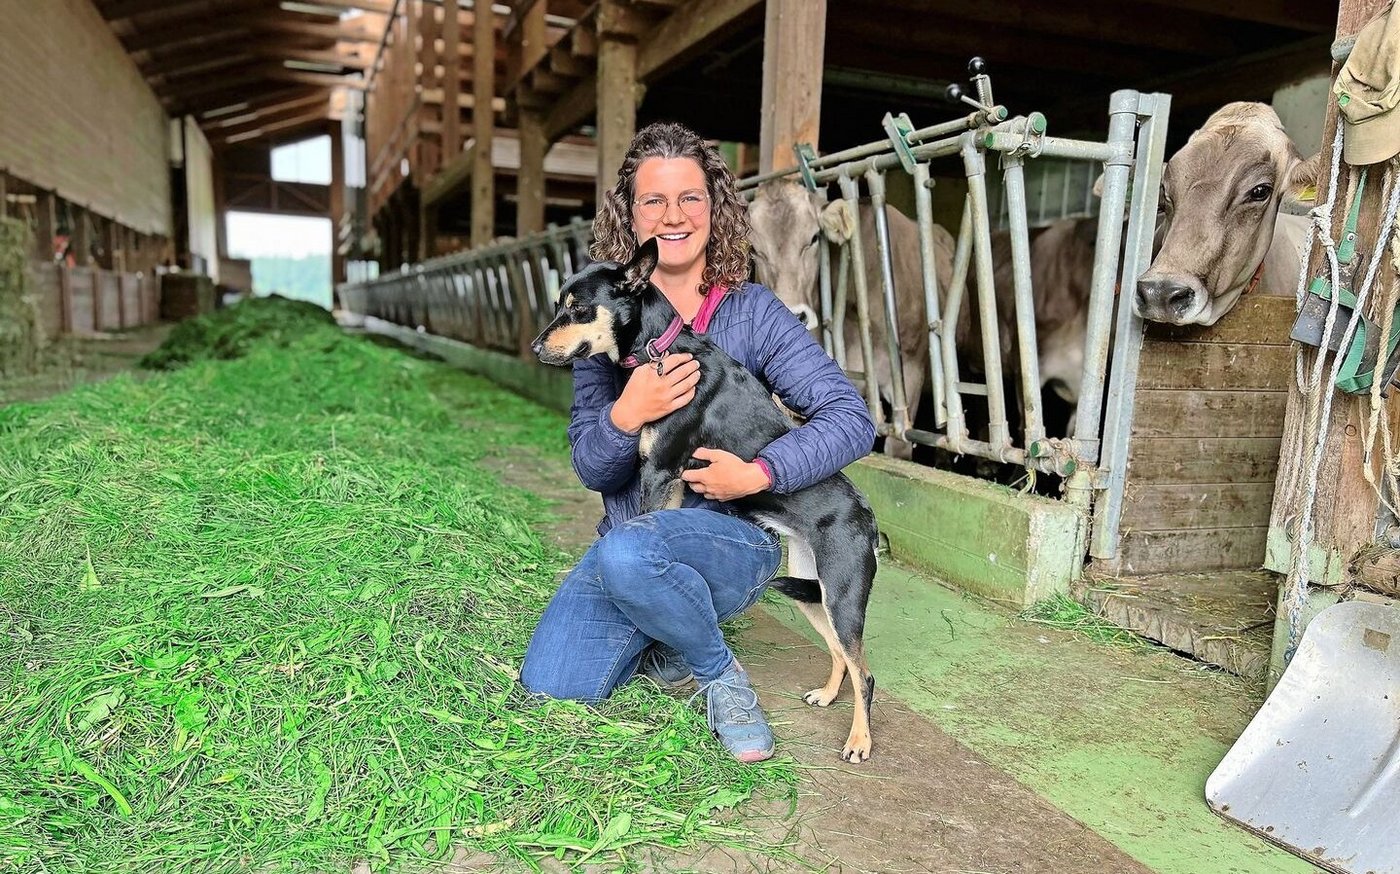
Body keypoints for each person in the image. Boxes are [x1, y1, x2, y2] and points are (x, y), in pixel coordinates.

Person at [520, 122, 875, 763]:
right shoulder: (607, 319)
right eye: (653, 201)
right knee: (552, 684)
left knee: (629, 555)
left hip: (733, 541)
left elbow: (852, 419)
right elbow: (593, 468)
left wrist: (761, 473)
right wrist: (626, 415)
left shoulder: (755, 313)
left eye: (691, 198)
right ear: (630, 215)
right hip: (632, 546)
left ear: (716, 209)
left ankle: (716, 671)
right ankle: (667, 632)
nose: (673, 216)